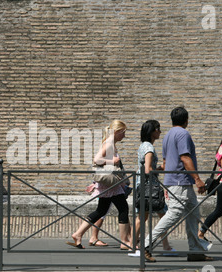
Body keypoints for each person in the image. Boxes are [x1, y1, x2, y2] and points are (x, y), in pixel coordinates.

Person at [144, 107, 212, 262]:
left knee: (193, 215)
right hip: (180, 182)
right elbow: (185, 158)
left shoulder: (168, 135)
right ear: (186, 120)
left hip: (176, 181)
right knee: (173, 214)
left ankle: (195, 251)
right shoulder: (183, 134)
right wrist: (197, 179)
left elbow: (166, 162)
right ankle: (146, 245)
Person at [67, 120, 131, 250]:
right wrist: (113, 160)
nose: (124, 136)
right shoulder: (109, 144)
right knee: (123, 209)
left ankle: (78, 234)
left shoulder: (110, 143)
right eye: (123, 133)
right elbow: (97, 160)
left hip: (109, 184)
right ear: (117, 131)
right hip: (110, 185)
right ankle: (125, 242)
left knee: (101, 210)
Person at [135, 120, 174, 254]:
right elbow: (147, 170)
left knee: (145, 216)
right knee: (160, 216)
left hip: (143, 185)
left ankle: (164, 245)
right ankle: (135, 245)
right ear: (152, 131)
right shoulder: (149, 148)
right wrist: (159, 170)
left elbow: (148, 168)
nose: (160, 131)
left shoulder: (143, 146)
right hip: (150, 187)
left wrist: (158, 168)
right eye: (158, 129)